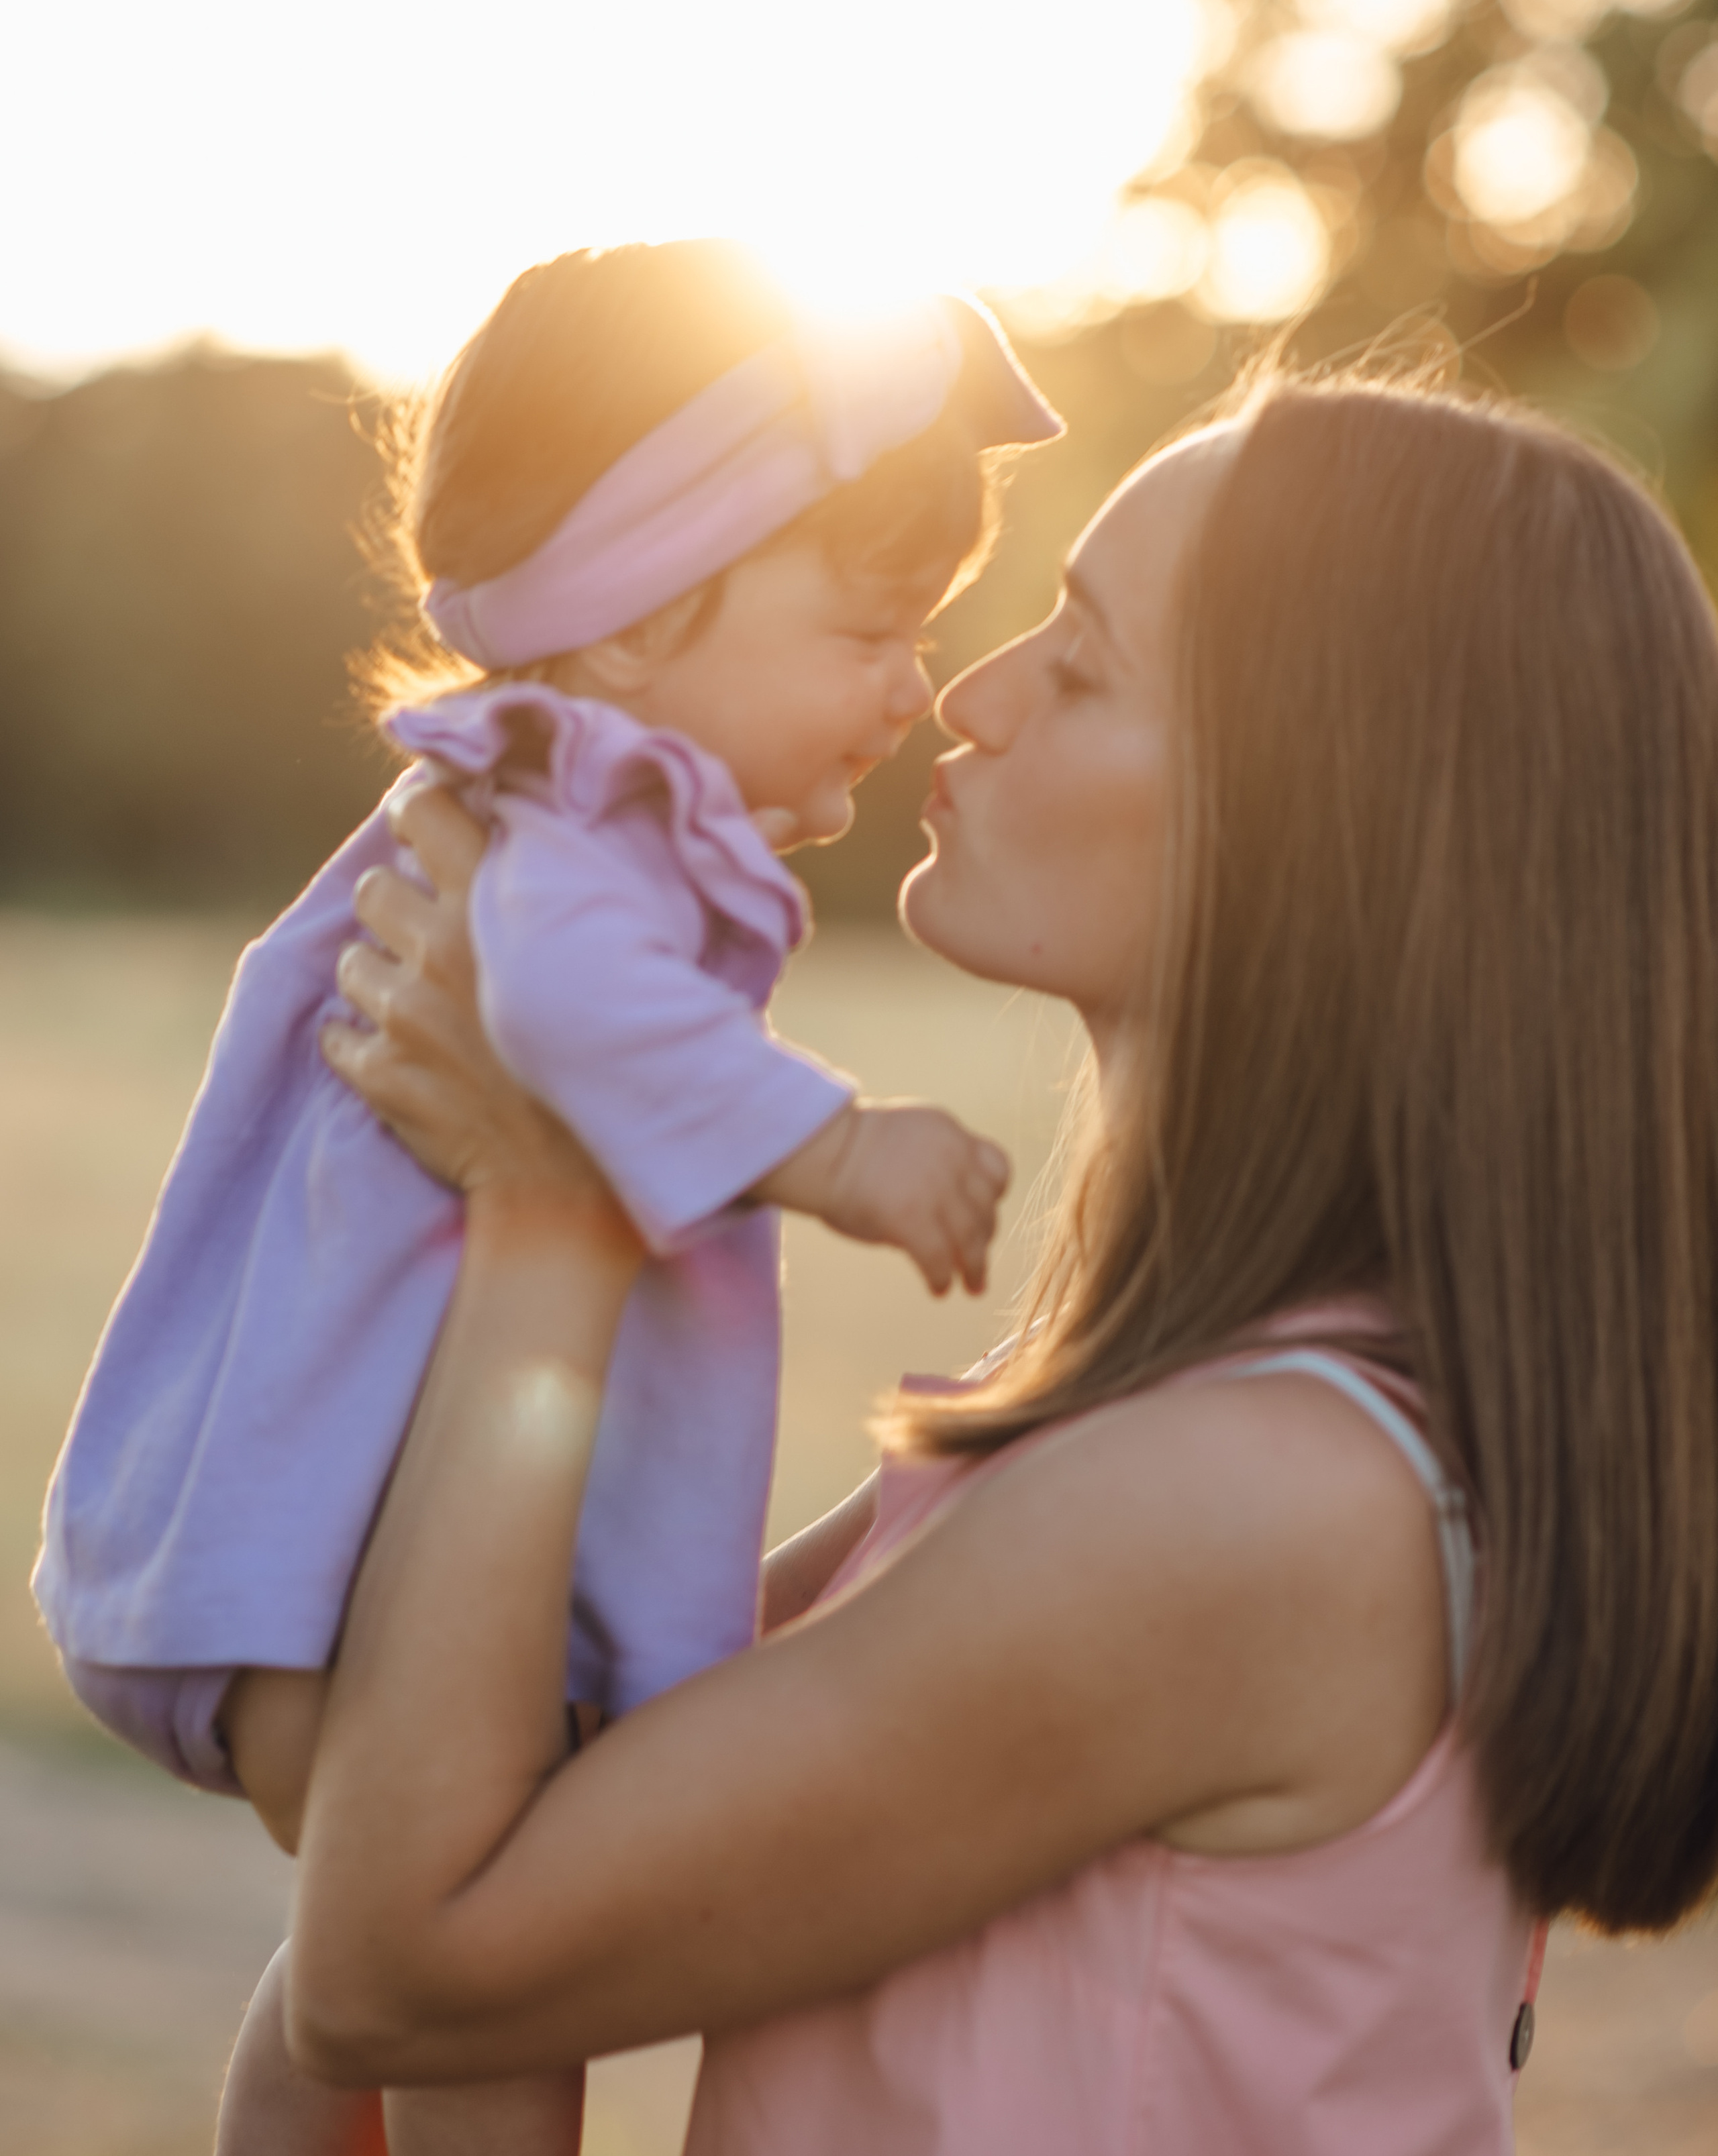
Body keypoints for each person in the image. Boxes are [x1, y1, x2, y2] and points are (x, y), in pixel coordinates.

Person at [257, 380, 1718, 2152]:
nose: (972, 692)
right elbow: (420, 1891)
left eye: (1084, 669)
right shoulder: (1167, 1442)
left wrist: (554, 1207)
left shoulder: (1248, 1506)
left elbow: (399, 1963)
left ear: (1325, 831)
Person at [34, 240, 1062, 2156]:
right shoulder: (572, 808)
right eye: (865, 631)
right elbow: (566, 1007)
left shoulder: (583, 796)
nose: (914, 686)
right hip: (370, 1572)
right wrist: (843, 1146)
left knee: (358, 1974)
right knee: (488, 1982)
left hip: (354, 1556)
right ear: (627, 621)